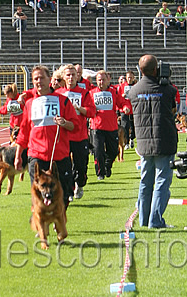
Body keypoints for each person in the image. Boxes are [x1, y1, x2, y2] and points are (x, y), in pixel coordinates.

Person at [14, 65, 79, 207]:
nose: (39, 81)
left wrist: (64, 123)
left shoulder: (63, 101)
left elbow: (75, 126)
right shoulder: (30, 104)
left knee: (64, 197)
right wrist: (18, 156)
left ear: (49, 79)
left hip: (60, 156)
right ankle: (42, 228)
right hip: (36, 156)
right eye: (35, 79)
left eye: (41, 77)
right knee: (38, 197)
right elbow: (24, 132)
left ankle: (58, 221)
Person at [127, 55, 177, 228]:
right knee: (162, 181)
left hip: (143, 143)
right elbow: (173, 108)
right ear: (156, 69)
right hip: (164, 141)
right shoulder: (168, 89)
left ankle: (143, 219)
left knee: (145, 182)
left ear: (140, 70)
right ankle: (155, 221)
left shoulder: (133, 91)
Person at [58, 64, 96, 200]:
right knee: (65, 166)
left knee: (80, 165)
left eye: (73, 75)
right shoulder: (58, 94)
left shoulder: (84, 93)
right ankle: (68, 191)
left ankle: (79, 184)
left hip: (80, 135)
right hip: (64, 136)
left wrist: (80, 109)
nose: (71, 77)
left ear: (77, 76)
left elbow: (92, 112)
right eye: (68, 75)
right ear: (63, 77)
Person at [89, 70, 130, 180]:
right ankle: (100, 173)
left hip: (111, 126)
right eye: (99, 80)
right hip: (96, 126)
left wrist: (125, 107)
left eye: (103, 80)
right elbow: (88, 106)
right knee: (98, 151)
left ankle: (107, 165)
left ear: (108, 80)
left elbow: (122, 102)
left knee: (113, 151)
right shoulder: (92, 93)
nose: (101, 82)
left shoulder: (114, 92)